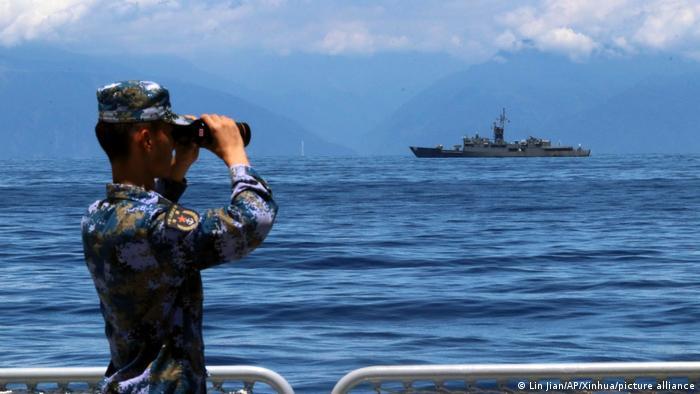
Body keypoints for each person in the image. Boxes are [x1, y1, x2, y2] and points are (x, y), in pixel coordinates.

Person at [81, 80, 278, 393]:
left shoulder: (96, 217)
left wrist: (175, 172)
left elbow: (149, 230)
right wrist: (235, 156)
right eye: (167, 132)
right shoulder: (158, 229)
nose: (173, 142)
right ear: (146, 139)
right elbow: (252, 221)